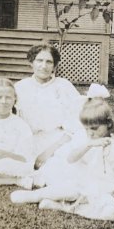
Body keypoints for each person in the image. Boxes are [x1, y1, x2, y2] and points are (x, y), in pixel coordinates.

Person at [9, 85, 114, 222]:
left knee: (112, 213)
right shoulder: (84, 139)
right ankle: (34, 196)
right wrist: (89, 145)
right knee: (66, 190)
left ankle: (63, 207)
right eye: (86, 129)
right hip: (79, 184)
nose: (90, 133)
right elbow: (71, 158)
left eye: (94, 128)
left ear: (109, 124)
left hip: (100, 192)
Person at [14, 44, 84, 173]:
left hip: (60, 140)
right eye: (39, 60)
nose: (44, 66)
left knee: (66, 166)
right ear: (31, 63)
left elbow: (77, 120)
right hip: (30, 141)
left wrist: (50, 151)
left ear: (54, 66)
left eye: (49, 62)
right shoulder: (20, 87)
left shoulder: (64, 86)